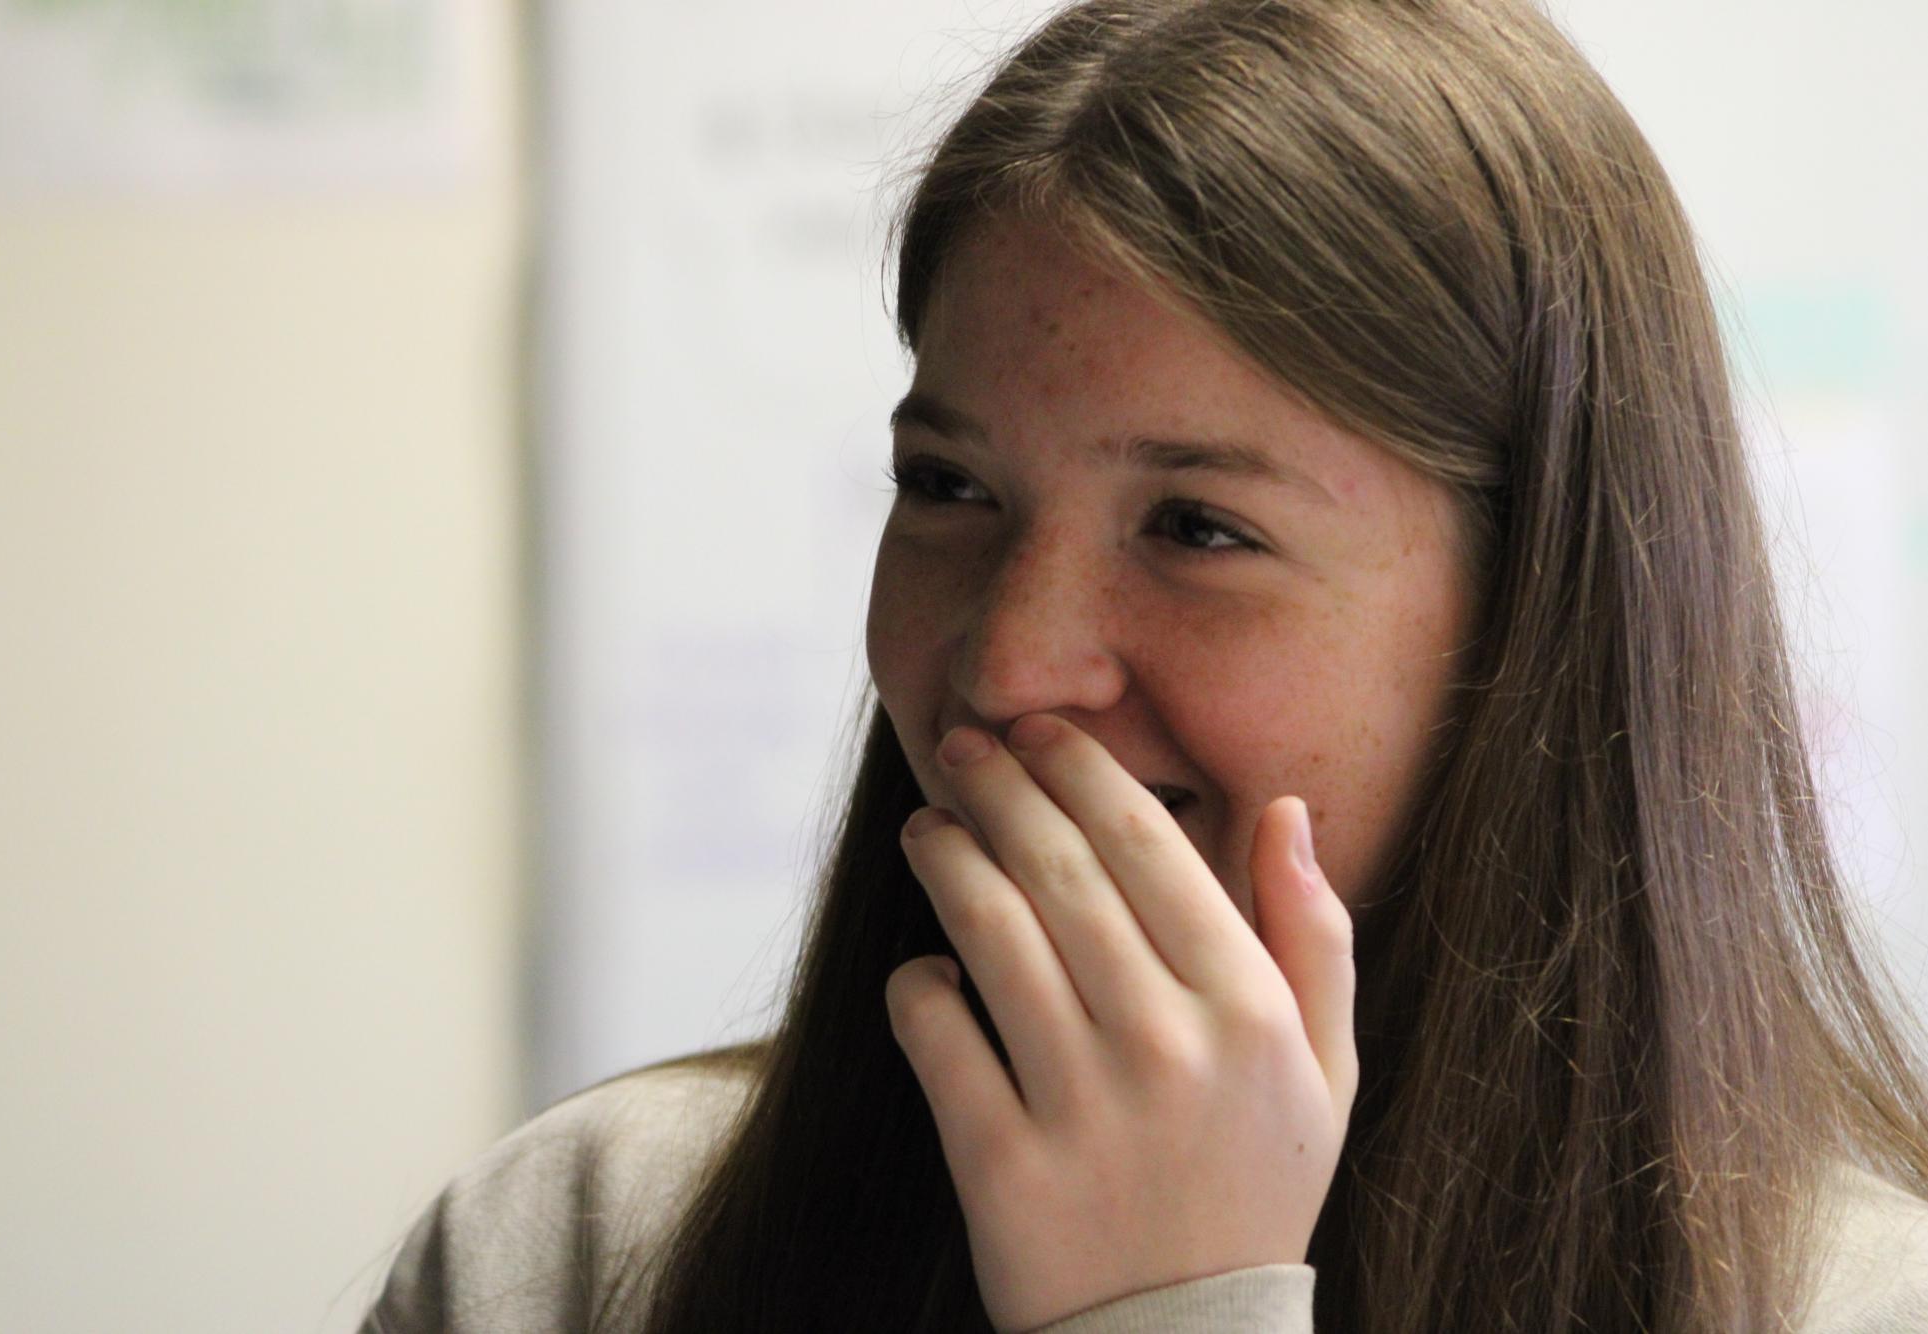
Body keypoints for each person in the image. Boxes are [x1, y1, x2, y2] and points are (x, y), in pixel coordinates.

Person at [360, 0, 1928, 1330]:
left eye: (1195, 526)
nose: (1008, 664)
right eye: (948, 488)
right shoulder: (569, 1247)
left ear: (1534, 613)